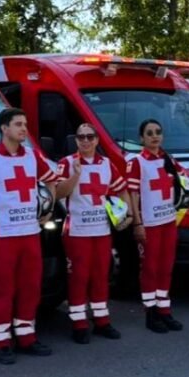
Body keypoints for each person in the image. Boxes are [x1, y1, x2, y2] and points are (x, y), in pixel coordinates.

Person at [0, 108, 60, 365]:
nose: (23, 128)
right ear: (3, 128)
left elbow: (52, 181)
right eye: (18, 124)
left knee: (31, 287)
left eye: (25, 124)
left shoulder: (33, 155)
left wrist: (48, 208)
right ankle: (1, 342)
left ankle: (27, 338)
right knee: (2, 290)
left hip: (30, 234)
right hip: (3, 235)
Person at [55, 123, 130, 344]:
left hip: (102, 230)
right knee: (79, 277)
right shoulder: (66, 163)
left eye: (89, 136)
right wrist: (75, 176)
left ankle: (102, 321)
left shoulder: (106, 163)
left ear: (97, 139)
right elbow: (57, 193)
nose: (85, 141)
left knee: (100, 276)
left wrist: (126, 215)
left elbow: (121, 188)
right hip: (77, 231)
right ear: (75, 140)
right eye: (80, 137)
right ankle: (78, 324)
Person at [126, 118, 189, 333]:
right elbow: (132, 194)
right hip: (150, 224)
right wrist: (137, 223)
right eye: (149, 133)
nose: (155, 136)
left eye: (158, 132)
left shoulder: (168, 159)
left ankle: (165, 310)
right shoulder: (136, 162)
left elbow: (184, 180)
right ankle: (151, 312)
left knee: (166, 268)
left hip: (168, 222)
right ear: (141, 138)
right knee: (150, 268)